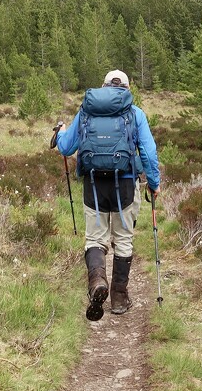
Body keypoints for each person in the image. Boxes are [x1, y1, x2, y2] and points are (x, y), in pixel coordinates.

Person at [55, 69, 160, 320]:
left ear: (103, 87)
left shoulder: (86, 112)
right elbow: (148, 151)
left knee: (95, 239)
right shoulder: (135, 114)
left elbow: (66, 147)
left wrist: (60, 132)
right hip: (125, 185)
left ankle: (97, 281)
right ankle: (119, 298)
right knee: (123, 239)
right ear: (126, 88)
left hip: (93, 185)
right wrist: (153, 182)